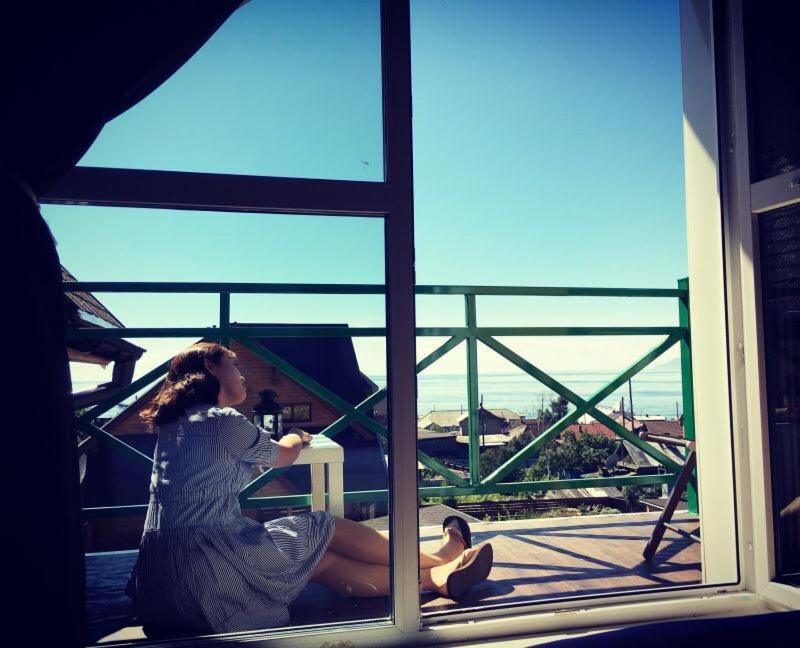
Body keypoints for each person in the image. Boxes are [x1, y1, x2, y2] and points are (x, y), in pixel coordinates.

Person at [124, 342, 493, 635]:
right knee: (326, 525)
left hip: (164, 582)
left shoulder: (173, 425)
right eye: (233, 365)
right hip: (211, 563)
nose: (242, 375)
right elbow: (282, 456)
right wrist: (296, 435)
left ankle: (435, 578)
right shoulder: (221, 420)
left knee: (321, 559)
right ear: (211, 367)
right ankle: (441, 558)